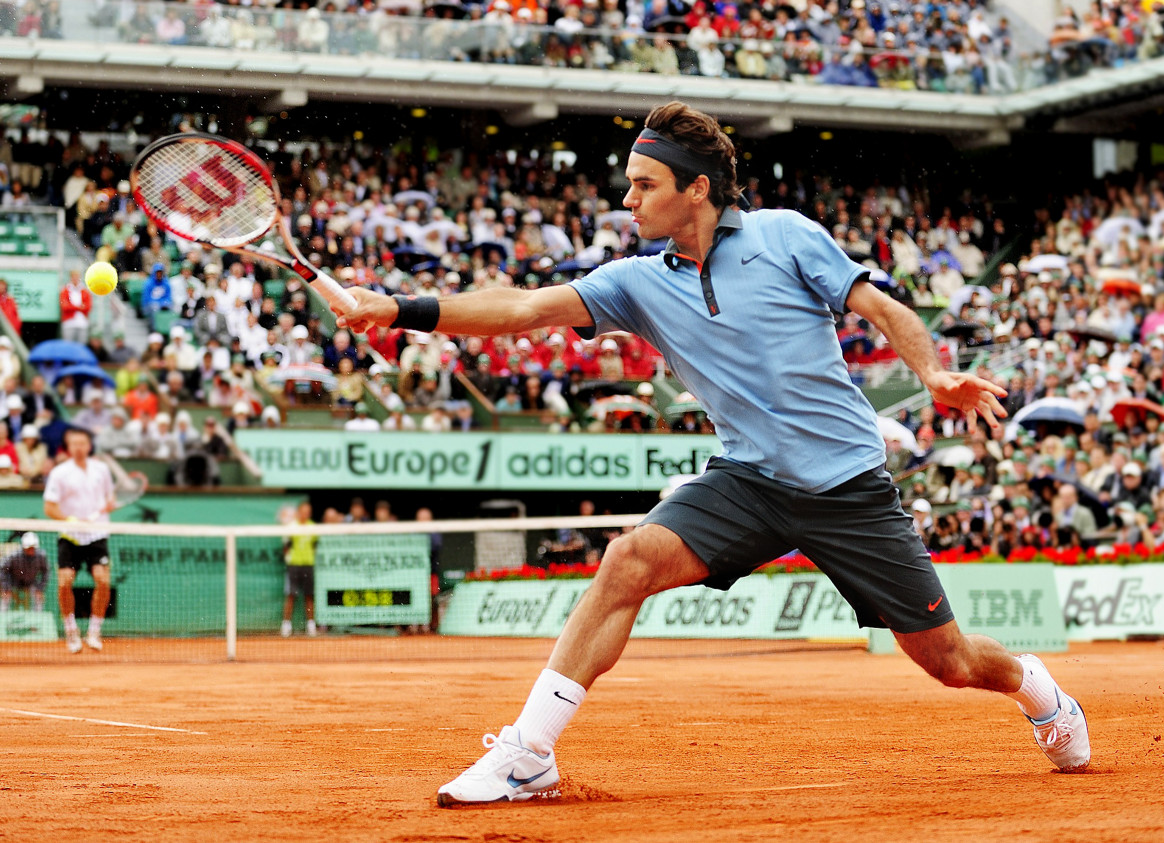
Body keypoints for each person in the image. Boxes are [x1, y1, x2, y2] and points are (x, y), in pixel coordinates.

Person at [334, 101, 1090, 806]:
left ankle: (1037, 690)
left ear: (697, 189)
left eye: (643, 184)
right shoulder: (635, 282)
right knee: (628, 559)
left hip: (848, 486)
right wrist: (400, 310)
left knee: (948, 660)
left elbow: (881, 306)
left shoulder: (786, 236)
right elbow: (524, 309)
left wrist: (930, 372)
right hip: (748, 482)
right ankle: (530, 751)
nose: (627, 201)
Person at [43, 427, 116, 653]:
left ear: (89, 445)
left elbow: (110, 498)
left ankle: (94, 631)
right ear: (68, 447)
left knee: (103, 581)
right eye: (74, 444)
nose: (79, 448)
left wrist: (109, 504)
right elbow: (49, 507)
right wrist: (71, 519)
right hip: (70, 535)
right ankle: (71, 631)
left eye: (82, 443)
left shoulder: (101, 470)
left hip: (97, 534)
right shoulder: (59, 473)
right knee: (65, 582)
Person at [280, 500, 318, 637]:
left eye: (308, 512)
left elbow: (314, 545)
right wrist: (290, 559)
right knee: (291, 595)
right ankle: (286, 625)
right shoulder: (291, 527)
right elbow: (286, 546)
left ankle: (311, 625)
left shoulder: (313, 527)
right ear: (299, 512)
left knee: (309, 595)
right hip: (294, 566)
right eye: (303, 511)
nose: (305, 513)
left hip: (308, 564)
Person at [0, 532, 49, 612]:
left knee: (38, 596)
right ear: (23, 547)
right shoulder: (14, 555)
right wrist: (6, 586)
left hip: (31, 582)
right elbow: (2, 568)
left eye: (32, 547)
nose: (30, 550)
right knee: (6, 595)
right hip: (13, 581)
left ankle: (36, 620)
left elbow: (46, 571)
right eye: (28, 548)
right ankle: (2, 618)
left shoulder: (41, 556)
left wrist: (40, 588)